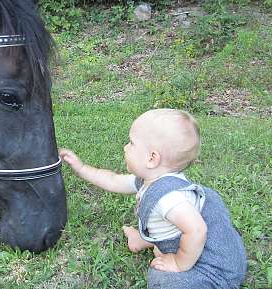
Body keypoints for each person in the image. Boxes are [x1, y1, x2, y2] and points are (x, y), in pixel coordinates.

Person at [60, 109, 247, 288]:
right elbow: (113, 181)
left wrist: (179, 263)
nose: (125, 147)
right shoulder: (149, 180)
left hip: (213, 268)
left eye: (131, 143)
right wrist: (81, 167)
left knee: (162, 280)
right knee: (167, 239)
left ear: (152, 158)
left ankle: (168, 252)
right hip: (195, 248)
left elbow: (197, 230)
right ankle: (145, 240)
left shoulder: (170, 198)